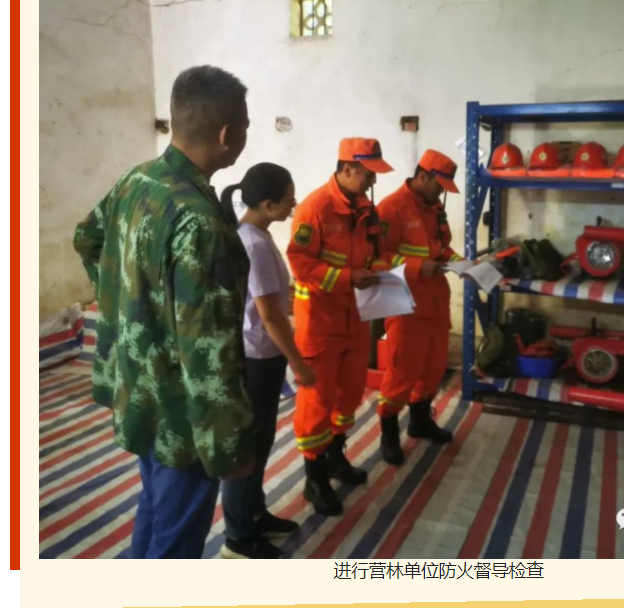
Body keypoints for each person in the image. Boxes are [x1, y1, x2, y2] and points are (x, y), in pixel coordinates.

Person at [73, 65, 255, 559]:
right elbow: (208, 352)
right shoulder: (201, 222)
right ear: (227, 134)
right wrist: (227, 447)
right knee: (174, 543)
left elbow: (87, 237)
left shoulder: (137, 181)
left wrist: (127, 303)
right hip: (182, 415)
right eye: (246, 125)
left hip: (138, 387)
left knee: (155, 510)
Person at [286, 137, 393, 515]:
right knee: (316, 402)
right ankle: (314, 478)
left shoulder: (366, 209)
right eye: (368, 174)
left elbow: (375, 253)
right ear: (347, 168)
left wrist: (379, 271)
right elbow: (301, 263)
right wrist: (349, 278)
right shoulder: (314, 208)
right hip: (320, 323)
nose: (373, 181)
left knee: (348, 395)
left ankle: (335, 457)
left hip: (355, 319)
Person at [218, 163, 318, 559]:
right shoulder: (254, 244)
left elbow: (270, 302)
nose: (294, 205)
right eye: (289, 199)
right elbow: (270, 316)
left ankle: (255, 514)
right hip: (257, 356)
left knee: (260, 440)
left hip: (263, 352)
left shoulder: (256, 235)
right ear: (267, 204)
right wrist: (299, 364)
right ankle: (238, 538)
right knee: (247, 445)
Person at [376, 149, 463, 465]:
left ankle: (420, 421)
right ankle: (388, 434)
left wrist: (461, 262)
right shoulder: (391, 208)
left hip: (436, 303)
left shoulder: (435, 208)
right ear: (422, 176)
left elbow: (442, 248)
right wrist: (416, 266)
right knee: (402, 372)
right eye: (439, 186)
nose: (441, 193)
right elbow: (377, 257)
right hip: (405, 305)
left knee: (433, 367)